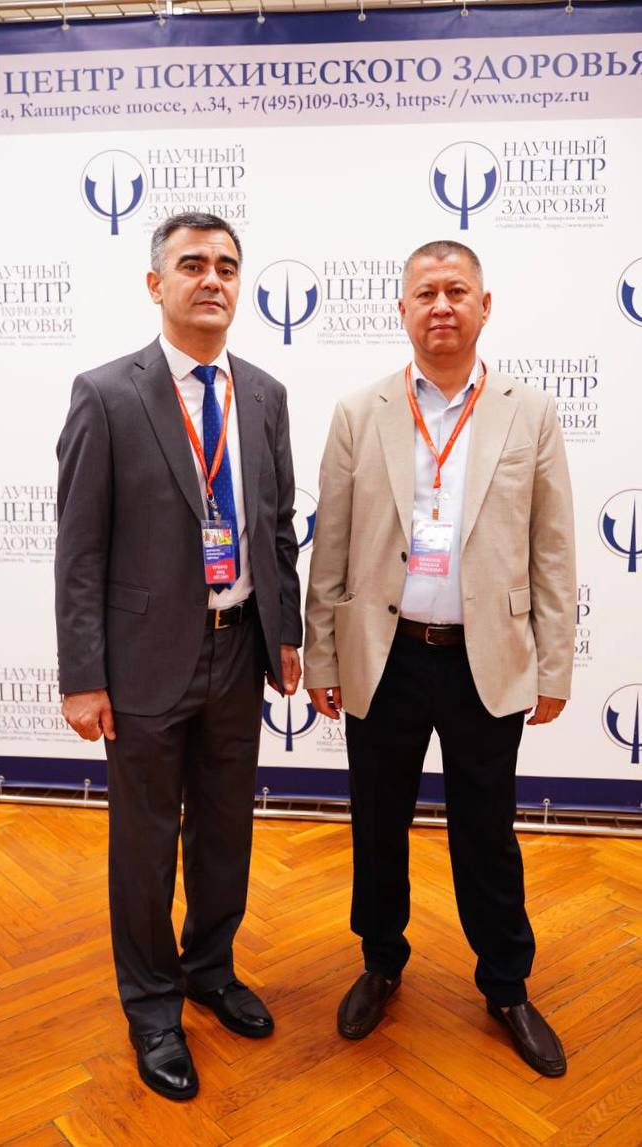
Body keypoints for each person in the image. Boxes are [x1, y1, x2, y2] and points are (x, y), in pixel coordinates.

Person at [303, 240, 575, 1077]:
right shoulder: (361, 412)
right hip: (384, 655)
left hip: (484, 658)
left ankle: (506, 984)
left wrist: (554, 666)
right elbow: (332, 545)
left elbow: (553, 547)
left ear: (485, 306)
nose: (442, 305)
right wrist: (322, 657)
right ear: (403, 309)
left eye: (458, 290)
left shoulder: (530, 412)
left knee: (487, 832)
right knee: (377, 822)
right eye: (426, 292)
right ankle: (380, 960)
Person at [55, 212, 302, 1101]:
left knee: (226, 830)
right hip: (143, 660)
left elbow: (276, 526)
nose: (212, 279)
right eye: (192, 264)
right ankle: (153, 1006)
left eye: (227, 266)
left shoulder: (264, 393)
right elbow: (79, 549)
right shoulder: (106, 394)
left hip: (239, 650)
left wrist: (286, 634)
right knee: (146, 843)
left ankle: (210, 967)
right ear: (156, 284)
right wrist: (83, 675)